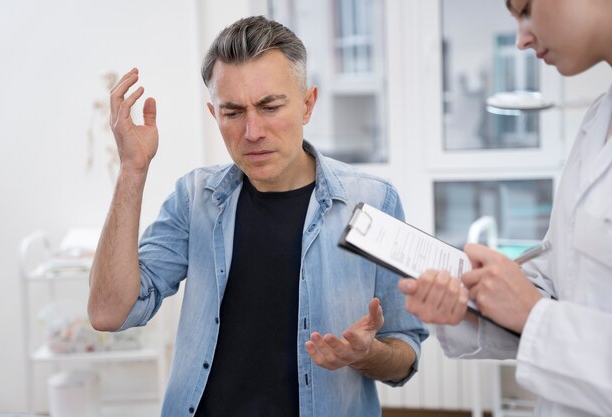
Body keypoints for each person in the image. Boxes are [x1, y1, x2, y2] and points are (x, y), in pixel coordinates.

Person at [88, 15, 427, 417]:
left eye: (269, 107)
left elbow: (403, 353)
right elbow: (109, 312)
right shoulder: (194, 199)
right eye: (233, 112)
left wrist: (367, 354)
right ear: (215, 115)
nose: (252, 131)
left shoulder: (372, 202)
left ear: (307, 104)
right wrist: (132, 168)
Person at [399, 1, 612, 416]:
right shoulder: (598, 119)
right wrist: (473, 301)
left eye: (527, 9)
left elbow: (542, 315)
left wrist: (533, 316)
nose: (521, 39)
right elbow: (558, 284)